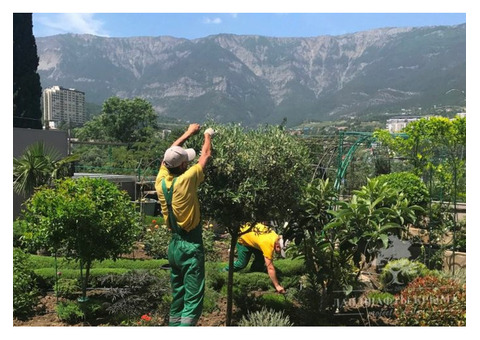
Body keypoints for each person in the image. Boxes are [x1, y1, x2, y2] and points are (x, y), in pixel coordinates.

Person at [155, 123, 214, 326]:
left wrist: (188, 133)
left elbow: (169, 154)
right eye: (185, 161)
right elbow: (205, 156)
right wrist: (208, 135)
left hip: (174, 247)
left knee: (178, 295)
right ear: (181, 166)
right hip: (190, 246)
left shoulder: (161, 181)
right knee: (193, 299)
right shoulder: (187, 180)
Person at [225, 222, 287, 294]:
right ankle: (223, 271)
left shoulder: (276, 237)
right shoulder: (267, 245)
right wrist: (277, 286)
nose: (279, 253)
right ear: (277, 246)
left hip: (253, 237)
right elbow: (270, 267)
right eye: (280, 251)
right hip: (243, 238)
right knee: (241, 264)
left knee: (260, 259)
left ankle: (254, 272)